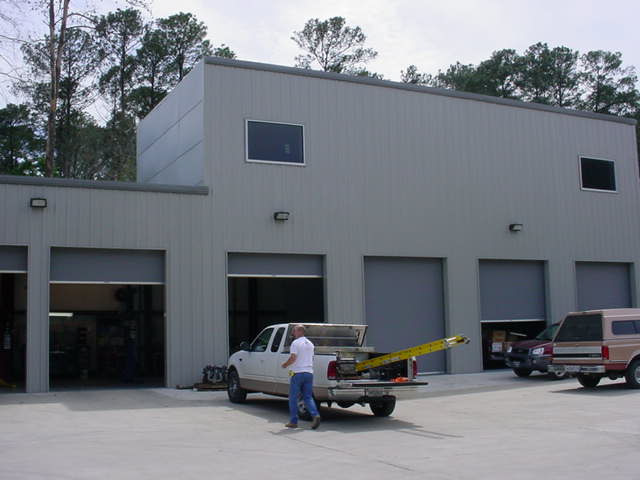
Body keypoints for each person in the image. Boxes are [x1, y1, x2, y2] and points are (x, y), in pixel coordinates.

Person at [281, 324, 321, 429]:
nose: (293, 333)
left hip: (298, 373)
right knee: (308, 397)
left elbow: (293, 358)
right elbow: (311, 358)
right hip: (309, 373)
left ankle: (293, 421)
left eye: (294, 331)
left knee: (293, 397)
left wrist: (285, 364)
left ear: (300, 331)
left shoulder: (295, 343)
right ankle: (315, 414)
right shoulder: (310, 344)